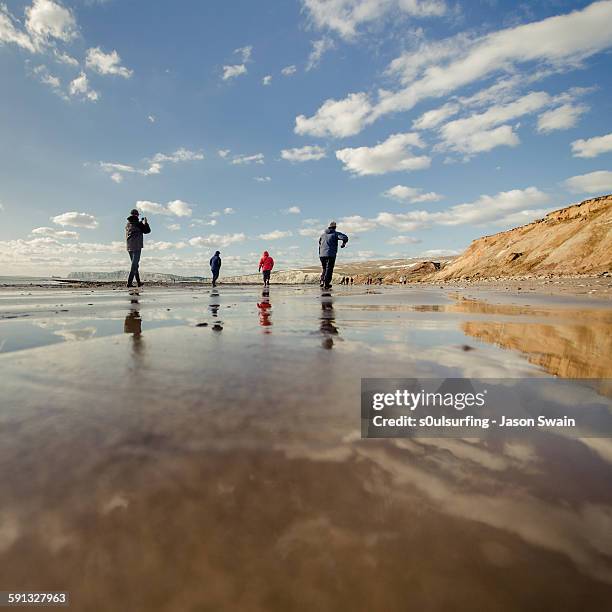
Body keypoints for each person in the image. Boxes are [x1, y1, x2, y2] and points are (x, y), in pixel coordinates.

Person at [318, 221, 348, 289]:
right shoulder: (335, 233)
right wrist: (343, 244)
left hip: (322, 255)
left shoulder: (322, 235)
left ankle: (322, 281)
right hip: (330, 254)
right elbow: (345, 237)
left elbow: (319, 244)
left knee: (324, 268)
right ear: (335, 227)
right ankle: (326, 283)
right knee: (329, 269)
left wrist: (320, 253)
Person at [125, 208, 151, 288]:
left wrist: (141, 223)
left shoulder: (127, 224)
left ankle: (139, 282)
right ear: (137, 215)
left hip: (129, 246)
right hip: (137, 246)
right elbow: (147, 231)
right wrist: (145, 223)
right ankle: (129, 283)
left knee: (135, 265)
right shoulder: (138, 224)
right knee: (134, 265)